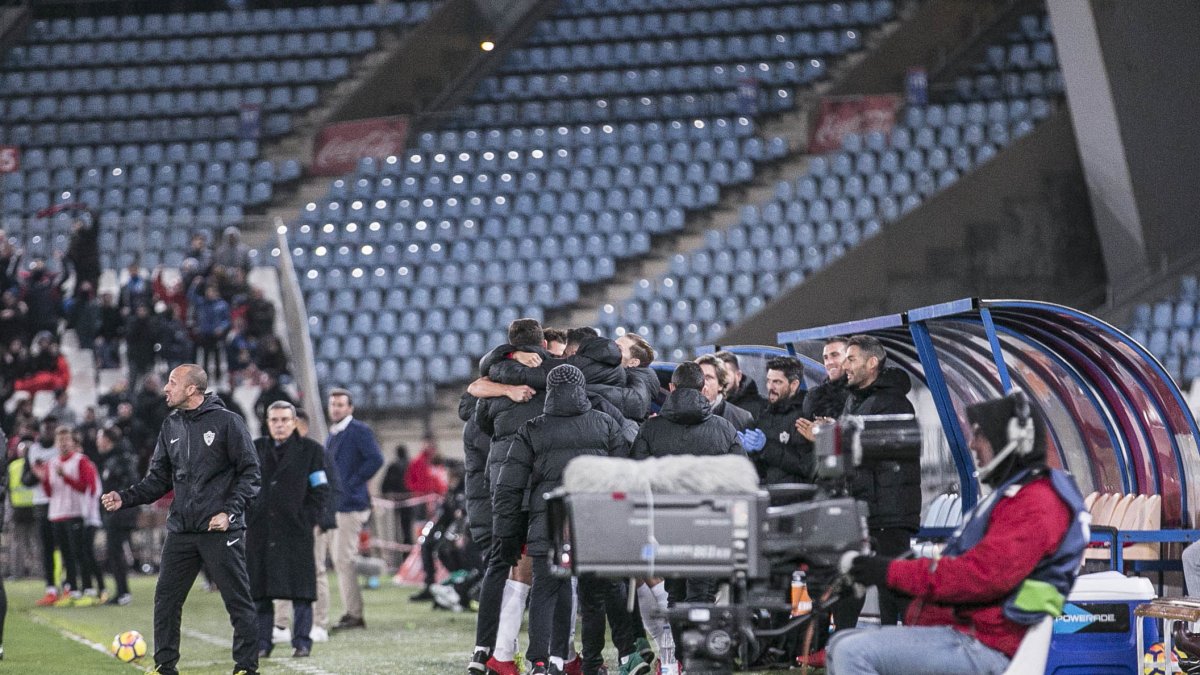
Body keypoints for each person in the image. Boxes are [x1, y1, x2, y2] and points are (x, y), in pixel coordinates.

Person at [829, 392, 1088, 675]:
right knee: (841, 642)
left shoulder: (1036, 503)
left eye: (981, 436)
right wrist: (901, 574)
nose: (972, 444)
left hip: (987, 644)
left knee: (851, 652)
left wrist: (888, 572)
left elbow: (979, 577)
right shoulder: (1017, 497)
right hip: (975, 632)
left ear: (1013, 438)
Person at [101, 364, 261, 675]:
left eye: (173, 382)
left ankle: (246, 668)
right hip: (182, 530)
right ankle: (165, 666)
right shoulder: (171, 426)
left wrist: (230, 512)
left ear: (192, 389)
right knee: (166, 600)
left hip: (219, 529)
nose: (165, 388)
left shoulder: (228, 423)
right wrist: (126, 497)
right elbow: (158, 479)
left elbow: (251, 473)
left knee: (237, 601)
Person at [492, 364, 629, 675]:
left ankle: (541, 662)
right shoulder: (605, 424)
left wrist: (507, 537)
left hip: (550, 522)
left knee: (546, 590)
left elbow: (508, 488)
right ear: (581, 389)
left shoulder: (533, 428)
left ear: (550, 392)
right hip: (596, 523)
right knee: (593, 595)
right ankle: (591, 662)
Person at [630, 362, 744, 675]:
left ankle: (680, 660)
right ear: (702, 389)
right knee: (702, 597)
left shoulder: (652, 429)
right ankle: (699, 662)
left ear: (672, 388)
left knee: (675, 596)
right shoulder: (723, 429)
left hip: (666, 526)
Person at [836, 335, 920, 629]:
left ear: (872, 363)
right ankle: (841, 641)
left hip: (890, 508)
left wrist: (837, 439)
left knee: (895, 583)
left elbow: (887, 448)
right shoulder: (854, 400)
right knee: (850, 577)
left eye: (851, 359)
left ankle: (915, 646)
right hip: (862, 505)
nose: (844, 365)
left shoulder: (894, 402)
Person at [248, 401, 329, 659]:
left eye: (285, 420)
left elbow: (320, 488)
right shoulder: (255, 448)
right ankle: (262, 643)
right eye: (275, 420)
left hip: (296, 530)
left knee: (302, 591)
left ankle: (302, 642)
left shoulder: (311, 451)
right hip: (262, 531)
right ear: (267, 422)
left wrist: (308, 518)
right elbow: (243, 483)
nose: (280, 425)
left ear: (294, 422)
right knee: (260, 591)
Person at [325, 388, 383, 631]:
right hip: (338, 504)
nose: (336, 408)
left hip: (350, 505)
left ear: (350, 408)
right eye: (333, 404)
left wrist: (351, 483)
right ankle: (373, 570)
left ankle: (354, 614)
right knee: (341, 560)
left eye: (340, 404)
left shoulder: (358, 430)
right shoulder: (334, 434)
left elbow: (376, 459)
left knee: (343, 559)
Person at [741, 357, 815, 484]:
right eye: (769, 381)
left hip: (796, 495)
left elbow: (805, 466)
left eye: (777, 382)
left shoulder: (804, 416)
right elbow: (762, 469)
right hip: (768, 492)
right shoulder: (765, 415)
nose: (771, 387)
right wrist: (749, 453)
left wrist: (766, 447)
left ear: (794, 385)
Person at [96, 425, 138, 605]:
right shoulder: (113, 459)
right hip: (116, 513)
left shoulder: (120, 460)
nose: (98, 442)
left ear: (107, 440)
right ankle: (122, 591)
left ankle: (123, 592)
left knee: (115, 552)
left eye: (100, 438)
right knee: (114, 552)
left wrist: (122, 508)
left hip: (120, 514)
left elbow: (131, 484)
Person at [695, 354, 753, 431]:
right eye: (698, 377)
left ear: (721, 385)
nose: (702, 382)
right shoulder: (681, 413)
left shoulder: (743, 418)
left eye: (708, 378)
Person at [715, 351, 767, 419]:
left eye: (725, 374)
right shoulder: (709, 406)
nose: (720, 379)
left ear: (738, 376)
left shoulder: (761, 407)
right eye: (717, 375)